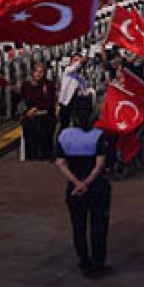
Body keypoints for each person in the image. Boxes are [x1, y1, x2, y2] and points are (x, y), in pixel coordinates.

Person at [55, 110, 112, 278]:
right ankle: (98, 263)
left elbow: (60, 163)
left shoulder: (64, 135)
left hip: (73, 188)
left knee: (78, 226)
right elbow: (100, 164)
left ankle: (84, 261)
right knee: (98, 226)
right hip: (97, 187)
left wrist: (76, 183)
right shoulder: (98, 135)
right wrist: (86, 183)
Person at [18, 64, 57, 161]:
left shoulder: (48, 85)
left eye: (41, 72)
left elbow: (50, 102)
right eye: (36, 71)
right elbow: (23, 100)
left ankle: (45, 153)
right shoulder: (26, 85)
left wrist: (36, 108)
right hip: (29, 113)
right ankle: (31, 153)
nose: (38, 74)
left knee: (43, 124)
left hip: (44, 113)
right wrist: (27, 111)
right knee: (29, 124)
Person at [57, 53, 93, 129]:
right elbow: (74, 67)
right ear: (71, 62)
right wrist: (81, 61)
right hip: (66, 103)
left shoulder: (81, 77)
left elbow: (84, 90)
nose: (77, 62)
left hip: (77, 103)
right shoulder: (68, 71)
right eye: (75, 60)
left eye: (78, 60)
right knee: (64, 124)